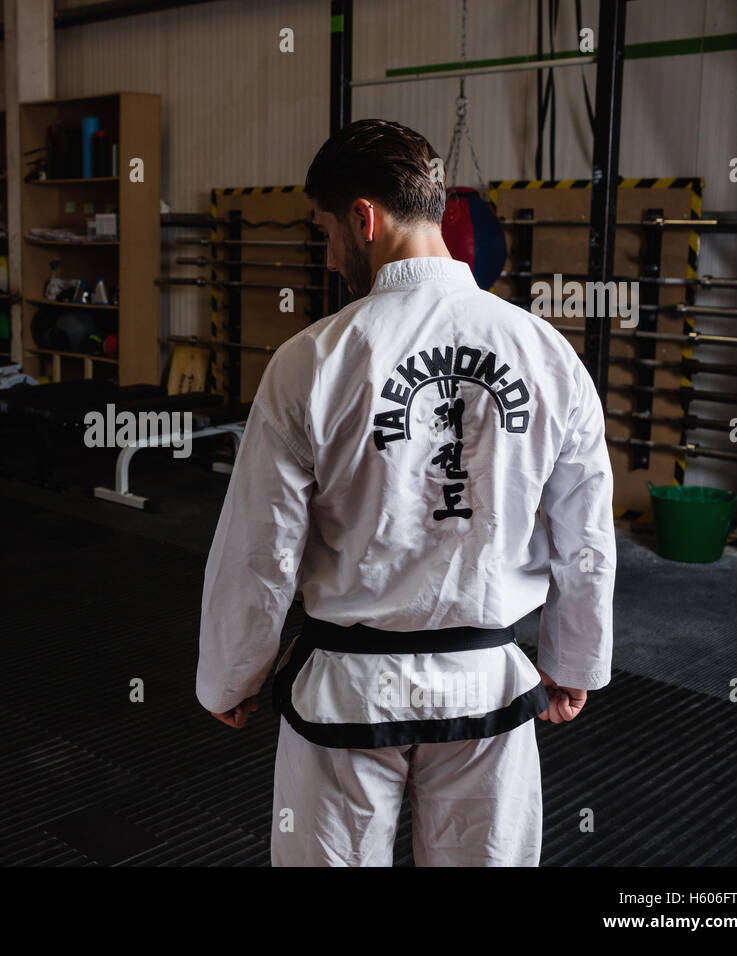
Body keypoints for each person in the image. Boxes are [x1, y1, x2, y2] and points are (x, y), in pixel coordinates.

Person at [195, 119, 615, 867]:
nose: (329, 257)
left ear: (364, 217)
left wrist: (233, 672)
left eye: (326, 233)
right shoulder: (548, 353)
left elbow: (261, 548)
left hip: (345, 695)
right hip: (487, 690)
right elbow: (583, 536)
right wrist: (573, 659)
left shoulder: (309, 361)